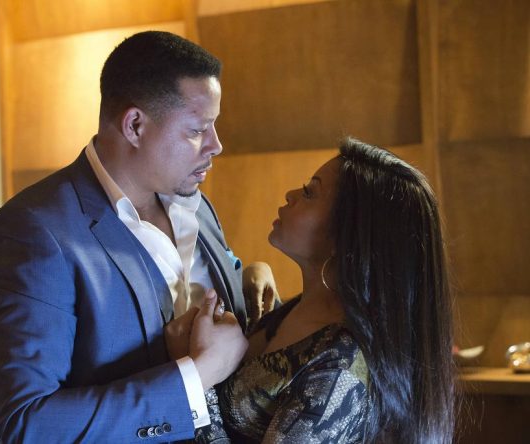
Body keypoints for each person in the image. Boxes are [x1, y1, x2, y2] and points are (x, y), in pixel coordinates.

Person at [0, 31, 279, 443]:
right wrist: (196, 375)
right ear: (135, 125)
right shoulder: (34, 231)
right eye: (197, 130)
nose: (216, 145)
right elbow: (29, 425)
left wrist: (247, 278)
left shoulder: (198, 209)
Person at [175, 138, 455, 443]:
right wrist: (249, 276)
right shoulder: (292, 311)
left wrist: (195, 381)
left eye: (310, 192)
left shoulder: (340, 370)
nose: (291, 195)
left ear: (347, 237)